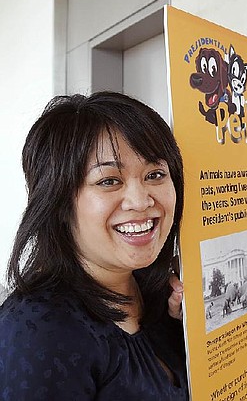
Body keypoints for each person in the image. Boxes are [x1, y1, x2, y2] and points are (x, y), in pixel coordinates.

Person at [0, 92, 188, 399]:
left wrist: (191, 328)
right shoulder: (38, 333)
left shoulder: (160, 296)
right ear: (59, 202)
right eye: (109, 181)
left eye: (155, 175)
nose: (141, 201)